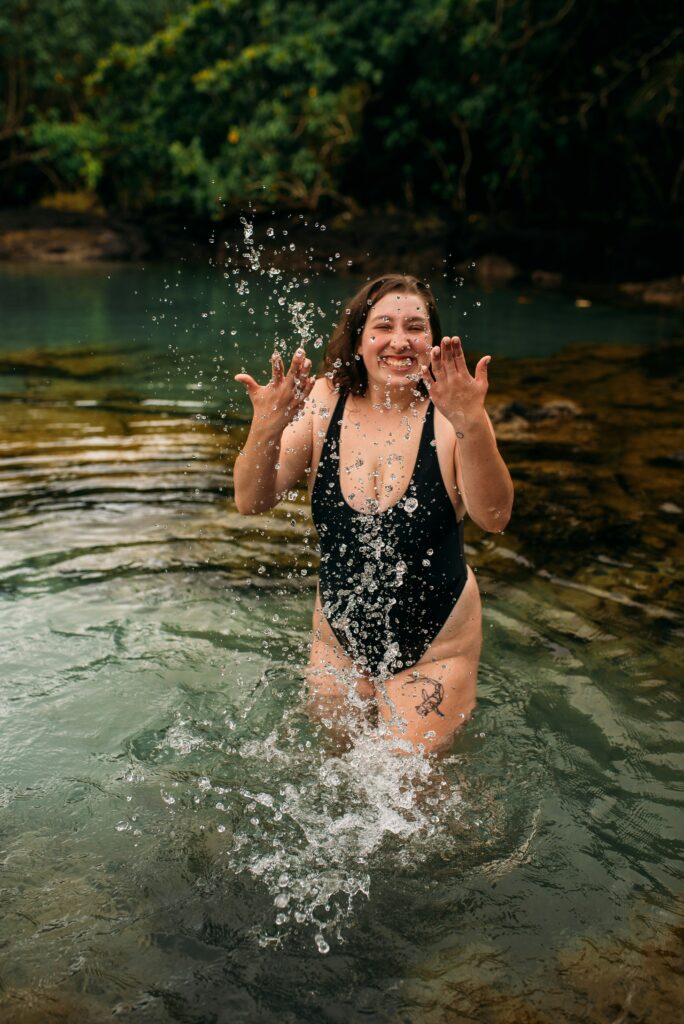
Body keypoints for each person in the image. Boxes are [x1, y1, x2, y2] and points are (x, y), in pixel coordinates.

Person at [234, 274, 513, 754]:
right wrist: (266, 426)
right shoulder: (324, 400)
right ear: (359, 341)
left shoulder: (453, 413)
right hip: (337, 645)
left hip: (435, 650)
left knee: (421, 799)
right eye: (383, 326)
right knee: (332, 780)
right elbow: (252, 500)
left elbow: (494, 516)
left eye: (416, 327)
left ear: (435, 341)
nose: (400, 341)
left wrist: (471, 420)